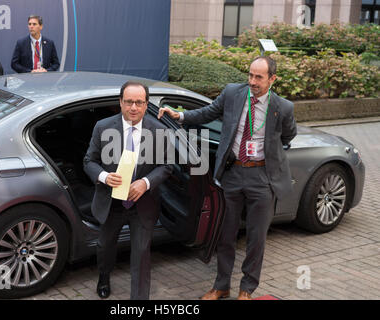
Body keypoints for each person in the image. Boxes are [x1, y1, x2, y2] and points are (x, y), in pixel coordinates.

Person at [158, 56, 297, 300]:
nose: (252, 81)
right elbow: (207, 113)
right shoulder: (233, 93)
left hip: (262, 178)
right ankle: (222, 285)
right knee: (225, 234)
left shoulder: (283, 107)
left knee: (256, 239)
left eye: (259, 77)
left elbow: (288, 136)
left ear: (272, 79)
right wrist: (179, 116)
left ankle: (247, 289)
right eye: (250, 75)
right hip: (232, 174)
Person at [83, 81, 173, 300]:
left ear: (146, 104)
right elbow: (89, 161)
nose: (134, 107)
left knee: (142, 254)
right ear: (121, 102)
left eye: (139, 102)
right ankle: (104, 276)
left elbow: (167, 166)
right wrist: (104, 176)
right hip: (111, 202)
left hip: (143, 203)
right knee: (105, 246)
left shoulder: (159, 130)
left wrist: (146, 182)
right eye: (129, 102)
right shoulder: (103, 127)